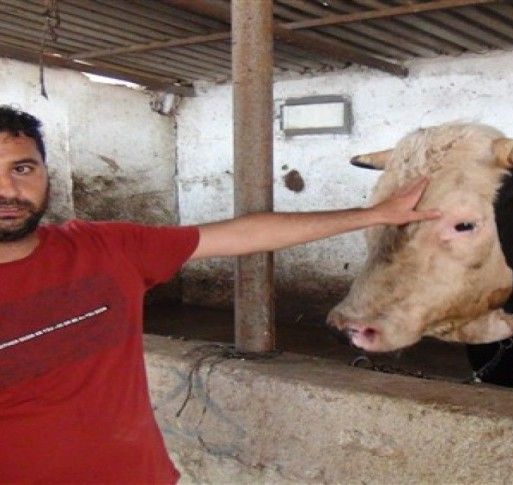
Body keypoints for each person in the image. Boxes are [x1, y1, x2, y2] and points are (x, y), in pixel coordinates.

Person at [0, 105, 438, 484]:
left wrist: (375, 215)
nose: (7, 190)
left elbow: (245, 233)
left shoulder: (106, 249)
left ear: (45, 172)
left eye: (22, 169)